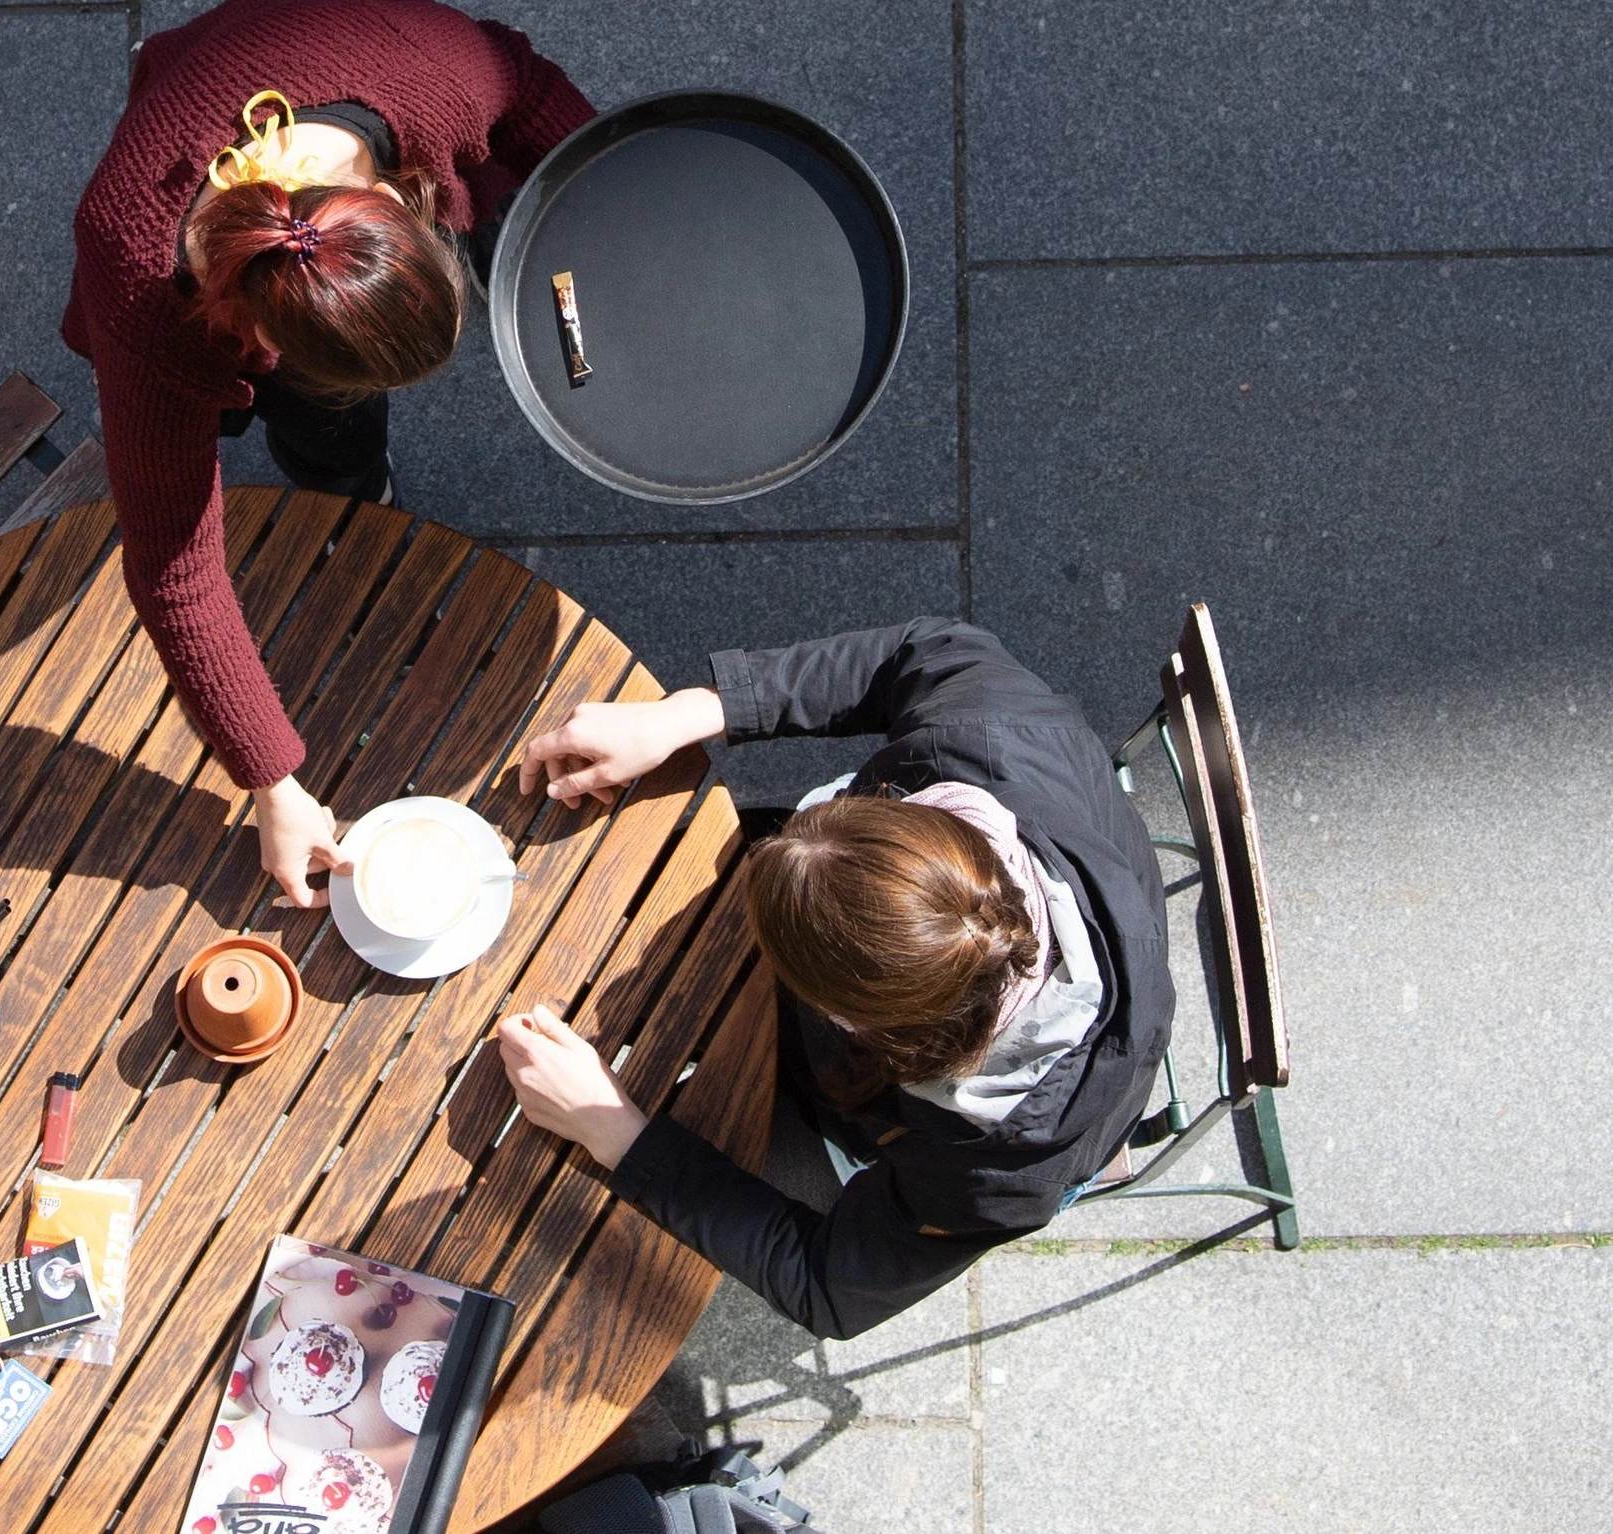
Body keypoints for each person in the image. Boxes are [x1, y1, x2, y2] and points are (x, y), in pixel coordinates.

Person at [495, 619, 1173, 1338]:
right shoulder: (992, 737)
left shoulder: (993, 1172)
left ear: (854, 1024)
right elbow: (927, 650)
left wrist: (615, 1134)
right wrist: (692, 713)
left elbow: (830, 1289)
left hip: (891, 1116)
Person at [64, 0, 596, 907]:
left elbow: (522, 82)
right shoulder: (145, 305)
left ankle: (356, 488)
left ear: (397, 203)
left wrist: (608, 212)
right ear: (259, 337)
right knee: (323, 430)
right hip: (172, 173)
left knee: (340, 421)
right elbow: (173, 572)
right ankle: (347, 480)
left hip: (302, 48)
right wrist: (271, 782)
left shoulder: (430, 74)